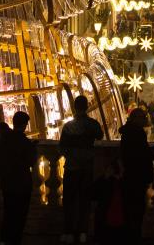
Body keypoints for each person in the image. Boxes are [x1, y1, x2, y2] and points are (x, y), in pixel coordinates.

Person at [59, 95, 104, 244]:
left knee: (69, 200)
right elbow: (100, 135)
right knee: (84, 201)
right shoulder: (92, 124)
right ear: (87, 107)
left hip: (71, 168)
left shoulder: (68, 126)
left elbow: (62, 148)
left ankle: (68, 232)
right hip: (86, 167)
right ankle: (83, 232)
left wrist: (73, 155)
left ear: (74, 107)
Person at [0, 111, 37, 245]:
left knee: (8, 212)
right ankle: (15, 239)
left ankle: (4, 238)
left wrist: (2, 176)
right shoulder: (25, 143)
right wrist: (33, 148)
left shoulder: (3, 140)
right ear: (25, 125)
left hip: (8, 182)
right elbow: (31, 162)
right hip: (23, 183)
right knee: (20, 214)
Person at [119, 108, 154, 245]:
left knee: (130, 209)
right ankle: (134, 237)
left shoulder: (127, 132)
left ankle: (130, 236)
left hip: (129, 175)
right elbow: (143, 154)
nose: (144, 119)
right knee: (137, 209)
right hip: (138, 176)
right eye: (142, 117)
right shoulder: (137, 133)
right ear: (136, 119)